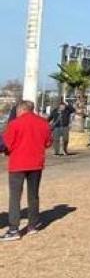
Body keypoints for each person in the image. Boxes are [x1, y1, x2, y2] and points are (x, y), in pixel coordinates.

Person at [1, 101, 52, 241]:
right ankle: (32, 225)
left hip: (18, 163)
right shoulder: (43, 123)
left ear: (21, 109)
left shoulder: (15, 124)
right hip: (36, 163)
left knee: (15, 196)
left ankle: (13, 229)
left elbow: (6, 144)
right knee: (33, 195)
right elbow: (48, 143)